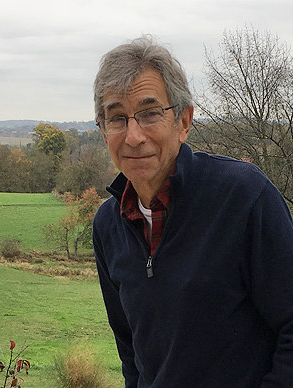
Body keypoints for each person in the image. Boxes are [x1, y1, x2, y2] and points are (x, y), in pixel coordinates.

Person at [92, 36, 293, 388]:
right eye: (117, 118)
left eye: (150, 113)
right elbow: (129, 349)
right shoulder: (108, 225)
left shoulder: (244, 197)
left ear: (183, 122)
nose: (133, 135)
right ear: (102, 130)